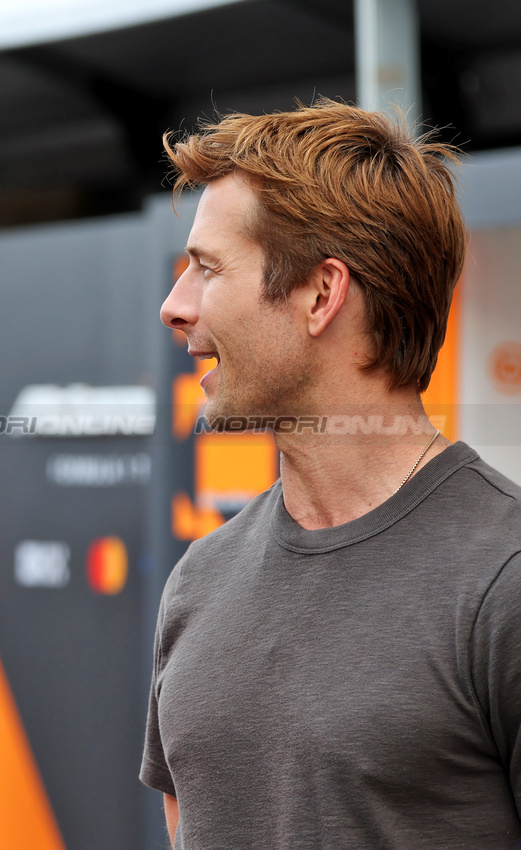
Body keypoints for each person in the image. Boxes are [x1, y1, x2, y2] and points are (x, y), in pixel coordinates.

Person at [141, 100, 521, 848]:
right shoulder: (201, 578)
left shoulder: (503, 578)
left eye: (208, 269)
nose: (172, 307)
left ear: (321, 294)